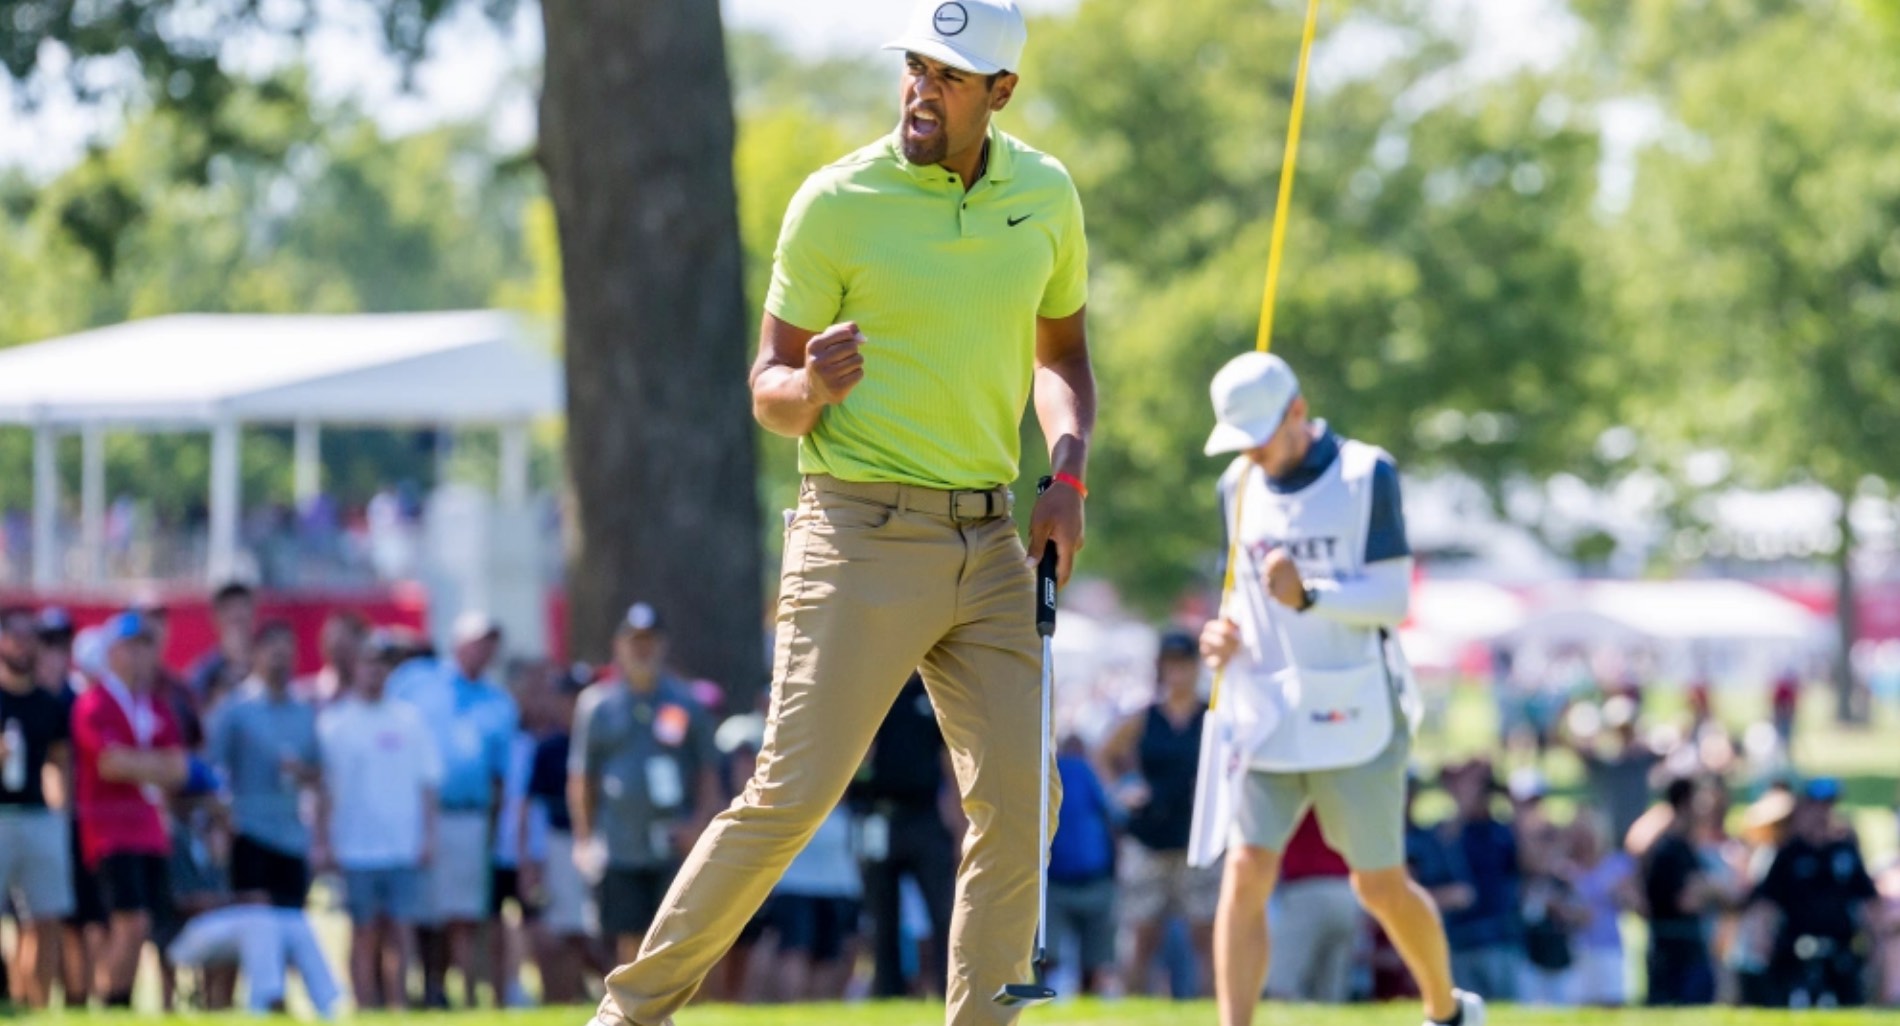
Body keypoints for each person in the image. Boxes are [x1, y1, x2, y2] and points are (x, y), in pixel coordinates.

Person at [593, 0, 1095, 1021]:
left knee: (1022, 800)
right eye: (915, 65)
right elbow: (765, 389)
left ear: (1000, 92)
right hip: (857, 532)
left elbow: (1063, 357)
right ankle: (628, 1012)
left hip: (989, 534)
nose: (922, 88)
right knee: (790, 796)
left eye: (949, 76)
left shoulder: (1044, 195)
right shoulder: (836, 200)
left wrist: (1068, 472)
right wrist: (811, 387)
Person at [1194, 351, 1480, 1026]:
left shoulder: (1365, 472)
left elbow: (1391, 597)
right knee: (1245, 872)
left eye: (1261, 435)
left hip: (1355, 710)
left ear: (1298, 410)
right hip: (1266, 709)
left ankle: (1447, 1010)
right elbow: (1239, 595)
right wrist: (1221, 635)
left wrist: (1311, 594)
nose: (1253, 453)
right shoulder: (1235, 486)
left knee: (1378, 884)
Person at [570, 604, 721, 966]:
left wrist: (699, 826)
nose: (642, 649)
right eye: (635, 641)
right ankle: (637, 1014)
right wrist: (585, 839)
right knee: (629, 934)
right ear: (618, 645)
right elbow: (581, 777)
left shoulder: (685, 702)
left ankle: (682, 1013)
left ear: (663, 645)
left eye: (650, 641)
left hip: (673, 839)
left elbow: (708, 773)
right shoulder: (597, 705)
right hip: (621, 840)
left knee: (678, 932)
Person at [392, 611, 517, 1009]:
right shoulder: (416, 682)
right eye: (477, 641)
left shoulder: (499, 703)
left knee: (460, 914)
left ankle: (460, 995)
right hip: (417, 814)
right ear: (457, 641)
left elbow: (501, 775)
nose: (483, 651)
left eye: (490, 644)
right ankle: (425, 988)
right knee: (422, 914)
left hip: (470, 816)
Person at [316, 631, 441, 1011]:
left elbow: (428, 784)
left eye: (382, 665)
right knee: (362, 931)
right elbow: (323, 790)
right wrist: (323, 840)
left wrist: (428, 836)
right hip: (354, 846)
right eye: (368, 663)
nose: (375, 672)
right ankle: (363, 1005)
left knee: (401, 931)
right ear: (355, 668)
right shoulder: (335, 723)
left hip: (402, 843)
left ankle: (398, 1003)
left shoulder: (410, 720)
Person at [70, 612, 188, 1007]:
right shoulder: (95, 702)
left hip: (150, 830)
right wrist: (150, 764)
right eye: (132, 647)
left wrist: (138, 763)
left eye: (146, 647)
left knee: (143, 924)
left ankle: (121, 1001)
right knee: (126, 921)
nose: (140, 656)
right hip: (110, 831)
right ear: (114, 652)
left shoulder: (154, 704)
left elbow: (178, 768)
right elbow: (109, 763)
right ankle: (109, 1000)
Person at [1097, 630, 1218, 997]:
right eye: (1170, 664)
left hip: (1198, 838)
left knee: (1206, 933)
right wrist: (1120, 791)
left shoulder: (1210, 716)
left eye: (1184, 664)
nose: (1177, 672)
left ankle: (1210, 1011)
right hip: (1149, 836)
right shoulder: (1144, 717)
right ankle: (1135, 1004)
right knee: (1142, 932)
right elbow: (1104, 754)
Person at [853, 672, 960, 999]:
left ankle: (949, 990)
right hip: (879, 815)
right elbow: (858, 757)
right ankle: (888, 993)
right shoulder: (873, 691)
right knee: (882, 916)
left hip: (925, 816)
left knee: (943, 911)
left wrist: (958, 827)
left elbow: (951, 763)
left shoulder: (932, 691)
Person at [206, 622, 319, 911]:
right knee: (255, 926)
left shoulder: (305, 711)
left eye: (286, 649)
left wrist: (301, 772)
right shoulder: (235, 709)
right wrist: (220, 822)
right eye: (272, 648)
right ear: (256, 653)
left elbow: (319, 773)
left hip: (293, 837)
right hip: (250, 835)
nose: (280, 656)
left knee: (292, 924)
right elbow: (213, 770)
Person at [1, 606, 75, 1008]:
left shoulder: (49, 704)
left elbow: (60, 762)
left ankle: (36, 1004)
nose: (23, 644)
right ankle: (11, 996)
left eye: (31, 637)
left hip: (37, 817)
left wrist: (60, 814)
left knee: (44, 918)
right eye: (15, 634)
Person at [1750, 777, 1876, 1007]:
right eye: (1815, 806)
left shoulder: (1845, 851)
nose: (1821, 813)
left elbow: (1868, 900)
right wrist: (1763, 942)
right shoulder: (1789, 854)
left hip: (1840, 947)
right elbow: (1767, 902)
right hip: (1794, 949)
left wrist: (1874, 942)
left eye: (1827, 806)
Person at [522, 663, 597, 1006]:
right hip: (560, 842)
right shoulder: (550, 747)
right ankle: (564, 1001)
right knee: (564, 931)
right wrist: (528, 862)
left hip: (600, 842)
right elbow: (528, 809)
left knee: (595, 932)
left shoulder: (603, 740)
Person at [758, 799, 863, 1002]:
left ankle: (809, 1011)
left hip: (835, 884)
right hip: (795, 883)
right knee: (795, 953)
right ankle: (793, 1010)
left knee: (825, 958)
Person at [1437, 760, 1522, 1003]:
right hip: (1461, 941)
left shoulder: (1503, 832)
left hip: (1501, 940)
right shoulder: (1446, 831)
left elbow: (1530, 863)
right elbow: (1445, 842)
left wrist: (1512, 802)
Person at [165, 903, 340, 1017]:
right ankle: (263, 1006)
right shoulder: (182, 850)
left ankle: (327, 1008)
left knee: (295, 921)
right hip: (180, 935)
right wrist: (237, 900)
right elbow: (184, 900)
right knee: (260, 921)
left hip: (230, 918)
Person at [1045, 734, 1117, 996]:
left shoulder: (1073, 774)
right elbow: (1113, 816)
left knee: (1088, 959)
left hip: (1081, 878)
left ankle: (1062, 997)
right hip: (1070, 880)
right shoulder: (1080, 772)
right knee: (1056, 955)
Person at [1266, 813, 1360, 1003]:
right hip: (1347, 893)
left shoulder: (1296, 794)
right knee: (1331, 994)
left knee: (1281, 987)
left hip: (1306, 891)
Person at [1640, 777, 1716, 1006]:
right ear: (1685, 803)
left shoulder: (1685, 847)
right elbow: (1686, 901)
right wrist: (1713, 890)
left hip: (1688, 948)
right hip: (1673, 953)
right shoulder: (1668, 850)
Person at [1567, 809, 1636, 1006]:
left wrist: (1620, 893)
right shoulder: (1565, 868)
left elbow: (1636, 904)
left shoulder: (1617, 865)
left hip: (1609, 949)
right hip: (1574, 951)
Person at [189, 583, 256, 709]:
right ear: (216, 617)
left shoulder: (270, 660)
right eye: (230, 608)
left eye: (243, 606)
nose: (237, 614)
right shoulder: (204, 670)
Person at [294, 611, 366, 707]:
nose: (341, 655)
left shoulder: (373, 696)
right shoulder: (304, 695)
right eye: (333, 640)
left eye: (344, 645)